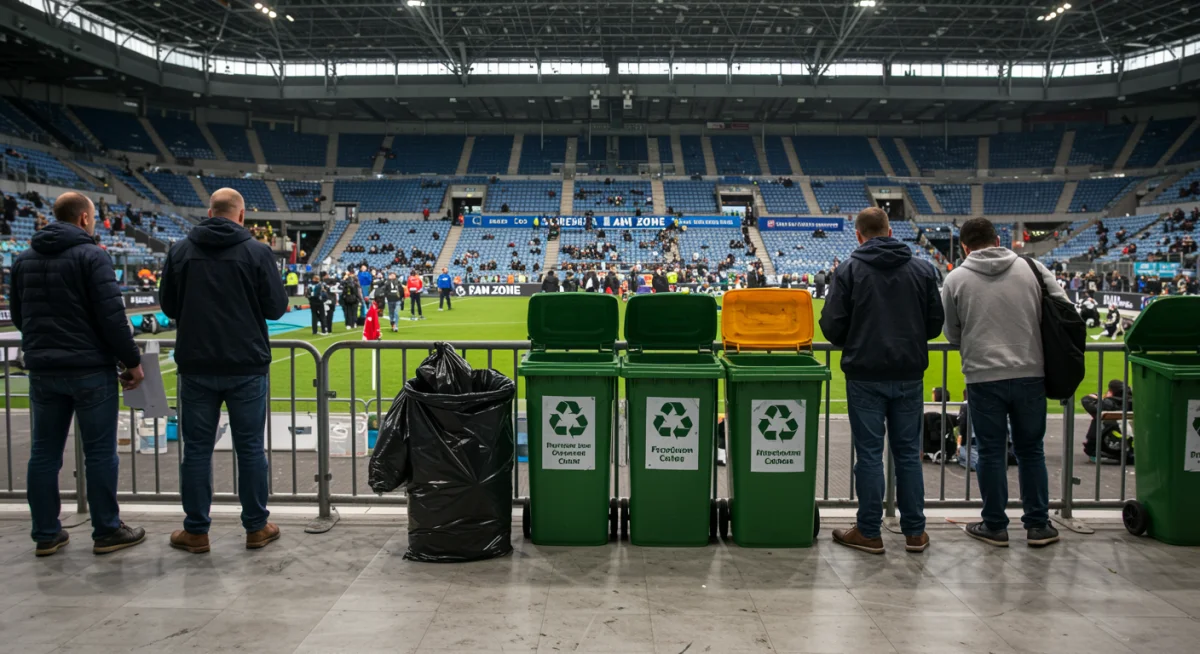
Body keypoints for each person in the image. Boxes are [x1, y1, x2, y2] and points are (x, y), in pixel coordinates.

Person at [12, 192, 146, 557]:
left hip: (43, 369)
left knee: (43, 453)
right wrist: (132, 361)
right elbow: (111, 318)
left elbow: (19, 315)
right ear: (86, 219)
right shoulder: (93, 256)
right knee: (100, 452)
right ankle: (106, 530)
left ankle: (45, 532)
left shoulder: (24, 259)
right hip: (89, 369)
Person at [159, 188, 289, 553]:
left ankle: (197, 531)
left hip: (196, 363)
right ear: (241, 215)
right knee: (249, 448)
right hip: (246, 363)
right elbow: (277, 308)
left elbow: (168, 304)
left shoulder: (181, 250)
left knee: (197, 449)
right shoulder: (257, 251)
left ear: (209, 211)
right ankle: (256, 526)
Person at [819, 207, 943, 554]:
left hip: (865, 372)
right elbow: (935, 324)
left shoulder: (849, 269)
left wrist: (858, 339)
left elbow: (831, 326)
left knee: (870, 455)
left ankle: (869, 531)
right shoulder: (921, 268)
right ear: (890, 232)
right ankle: (915, 532)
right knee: (907, 455)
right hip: (908, 373)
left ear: (858, 235)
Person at [941, 217, 1064, 548]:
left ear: (964, 246)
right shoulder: (1031, 268)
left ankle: (995, 525)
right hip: (1030, 371)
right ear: (997, 239)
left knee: (991, 452)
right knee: (1030, 451)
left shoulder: (955, 278)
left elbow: (951, 333)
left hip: (983, 375)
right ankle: (1038, 525)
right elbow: (1063, 308)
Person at [1082, 380, 1134, 464]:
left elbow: (1086, 400)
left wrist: (1100, 398)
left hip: (1109, 449)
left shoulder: (1107, 405)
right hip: (1131, 450)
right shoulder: (1135, 404)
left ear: (1110, 392)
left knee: (1098, 417)